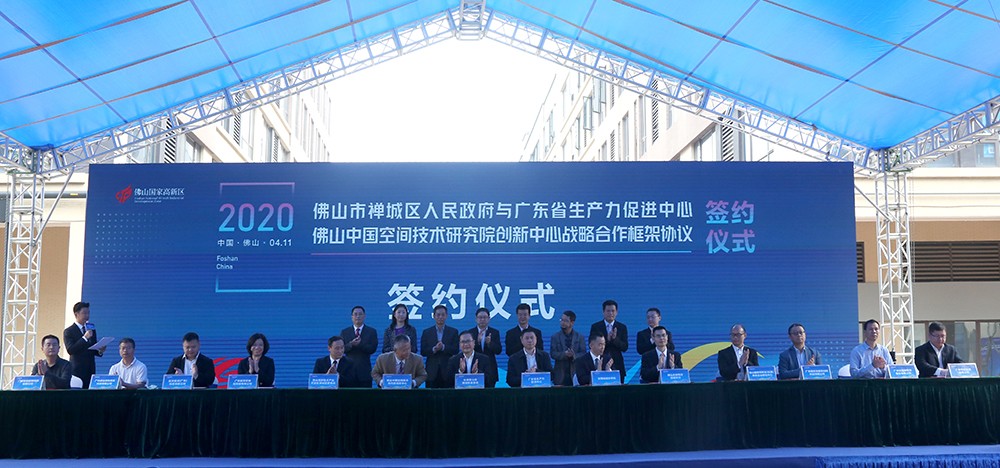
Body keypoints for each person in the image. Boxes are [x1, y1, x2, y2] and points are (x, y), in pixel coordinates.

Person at [63, 301, 106, 389]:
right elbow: (70, 350)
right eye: (84, 313)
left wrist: (100, 350)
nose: (87, 316)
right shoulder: (69, 331)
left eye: (88, 313)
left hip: (90, 368)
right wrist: (84, 338)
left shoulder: (91, 328)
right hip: (77, 369)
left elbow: (92, 347)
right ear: (76, 314)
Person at [589, 299, 628, 383]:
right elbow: (591, 345)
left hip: (617, 365)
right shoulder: (596, 327)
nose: (610, 313)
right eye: (608, 311)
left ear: (616, 312)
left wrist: (615, 339)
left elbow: (625, 347)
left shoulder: (622, 327)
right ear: (603, 312)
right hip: (600, 364)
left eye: (613, 311)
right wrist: (607, 339)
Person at [420, 304, 459, 388]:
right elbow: (423, 351)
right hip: (431, 371)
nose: (440, 317)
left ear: (446, 316)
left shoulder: (453, 331)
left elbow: (456, 350)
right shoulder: (426, 332)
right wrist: (434, 349)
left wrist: (443, 347)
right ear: (434, 316)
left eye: (443, 315)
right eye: (438, 315)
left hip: (448, 370)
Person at [340, 305, 378, 388]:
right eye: (355, 314)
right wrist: (351, 344)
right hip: (348, 371)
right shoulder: (345, 332)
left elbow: (372, 349)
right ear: (352, 317)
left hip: (364, 371)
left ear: (364, 316)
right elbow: (341, 349)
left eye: (360, 314)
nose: (358, 316)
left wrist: (360, 344)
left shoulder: (371, 331)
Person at [465, 307, 502, 387]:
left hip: (490, 368)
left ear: (489, 319)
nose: (482, 319)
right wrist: (477, 341)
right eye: (480, 317)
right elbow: (466, 350)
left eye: (485, 317)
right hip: (474, 367)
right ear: (476, 319)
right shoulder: (470, 333)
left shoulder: (494, 332)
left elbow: (498, 350)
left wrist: (490, 343)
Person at [550, 310, 587, 386]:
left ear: (572, 323)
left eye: (565, 321)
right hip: (560, 374)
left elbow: (583, 353)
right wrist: (564, 354)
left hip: (575, 372)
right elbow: (553, 353)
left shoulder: (580, 337)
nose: (562, 323)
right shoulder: (555, 337)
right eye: (561, 320)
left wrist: (574, 355)